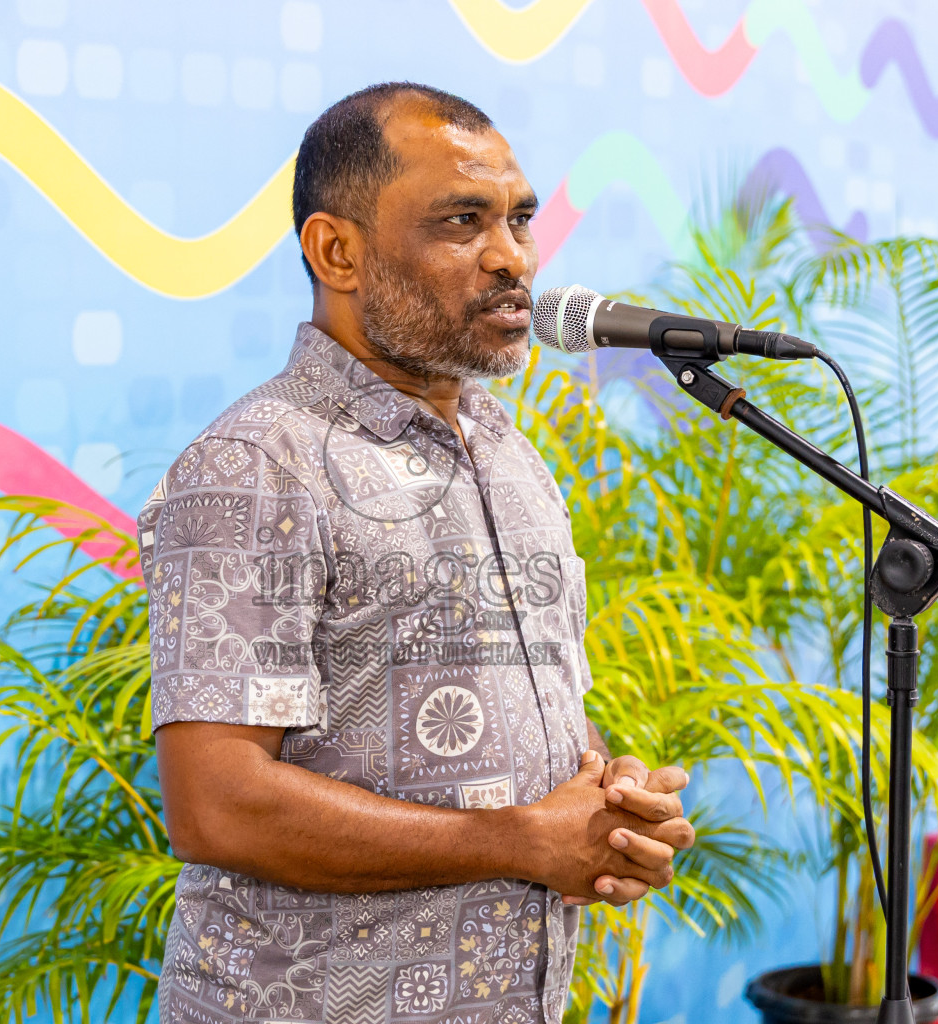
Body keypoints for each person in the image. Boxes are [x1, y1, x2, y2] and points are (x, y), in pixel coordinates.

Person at [139, 82, 696, 1024]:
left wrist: (604, 800)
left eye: (519, 218)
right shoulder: (259, 460)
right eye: (461, 221)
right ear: (336, 250)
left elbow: (530, 718)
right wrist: (523, 840)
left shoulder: (510, 456)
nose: (512, 257)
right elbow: (216, 804)